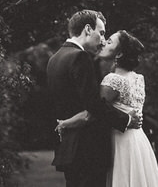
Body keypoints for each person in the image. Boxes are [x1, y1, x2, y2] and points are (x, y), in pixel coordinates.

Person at [57, 30, 158, 187]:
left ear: (119, 54)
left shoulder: (113, 80)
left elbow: (92, 113)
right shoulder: (138, 78)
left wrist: (65, 123)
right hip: (138, 142)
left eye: (109, 42)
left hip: (120, 142)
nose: (103, 43)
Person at [47, 10, 143, 187]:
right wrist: (127, 119)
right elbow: (93, 105)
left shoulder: (55, 58)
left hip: (68, 147)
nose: (102, 39)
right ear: (88, 29)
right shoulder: (80, 57)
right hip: (88, 150)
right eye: (101, 32)